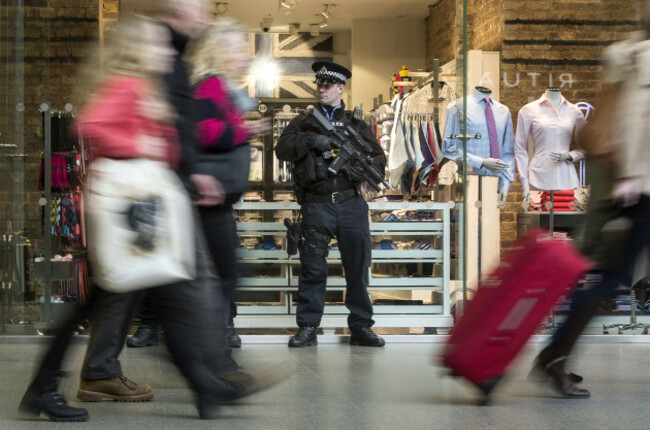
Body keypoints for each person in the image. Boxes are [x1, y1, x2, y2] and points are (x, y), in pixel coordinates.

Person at [19, 13, 235, 421]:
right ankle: (203, 385)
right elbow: (90, 123)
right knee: (144, 291)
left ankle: (203, 386)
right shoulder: (126, 85)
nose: (164, 52)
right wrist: (142, 141)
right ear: (137, 49)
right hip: (130, 204)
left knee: (142, 292)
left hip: (141, 202)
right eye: (156, 45)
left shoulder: (145, 89)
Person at [530, 1, 650, 398]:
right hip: (634, 189)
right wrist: (629, 177)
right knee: (608, 278)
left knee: (607, 277)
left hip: (628, 185)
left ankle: (555, 355)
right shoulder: (635, 55)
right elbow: (632, 121)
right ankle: (554, 356)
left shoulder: (631, 52)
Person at [275, 61, 386, 348]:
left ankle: (361, 326)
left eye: (328, 85)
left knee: (358, 268)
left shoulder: (356, 125)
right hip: (317, 204)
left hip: (351, 203)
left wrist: (356, 168)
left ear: (341, 88)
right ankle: (309, 327)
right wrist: (312, 140)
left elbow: (378, 160)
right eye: (319, 84)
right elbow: (282, 149)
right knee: (313, 268)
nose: (322, 89)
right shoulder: (303, 123)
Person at [188, 18, 272, 348]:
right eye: (239, 48)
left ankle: (209, 348)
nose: (246, 56)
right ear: (220, 52)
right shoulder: (210, 85)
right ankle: (211, 351)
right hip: (209, 198)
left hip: (217, 199)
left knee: (224, 273)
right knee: (226, 273)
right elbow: (205, 131)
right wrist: (246, 131)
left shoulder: (224, 89)